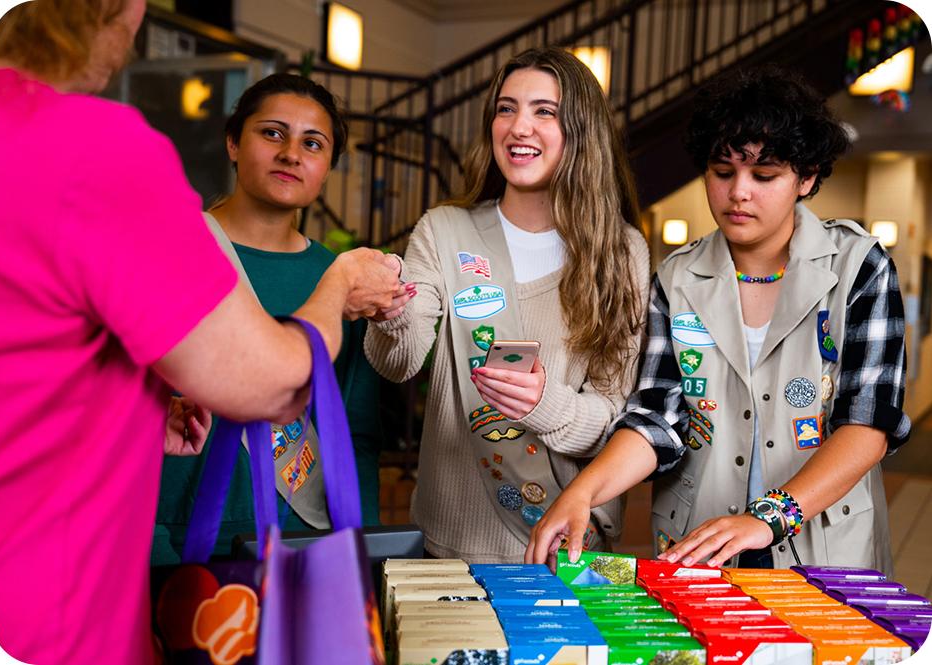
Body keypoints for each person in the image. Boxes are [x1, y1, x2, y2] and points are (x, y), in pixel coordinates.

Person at [0, 2, 402, 664]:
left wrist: (130, 416)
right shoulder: (97, 149)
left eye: (314, 142)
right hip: (53, 615)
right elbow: (272, 382)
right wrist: (342, 283)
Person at [527, 65, 910, 573]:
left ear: (807, 178)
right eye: (722, 172)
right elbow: (657, 418)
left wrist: (767, 518)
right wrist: (583, 492)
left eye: (765, 175)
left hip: (824, 548)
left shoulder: (859, 266)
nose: (738, 193)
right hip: (698, 544)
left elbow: (869, 423)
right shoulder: (677, 277)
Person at [365, 47, 650, 563]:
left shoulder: (620, 251)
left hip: (566, 547)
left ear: (581, 131)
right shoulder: (445, 229)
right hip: (451, 546)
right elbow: (397, 362)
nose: (520, 127)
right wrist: (392, 311)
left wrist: (543, 403)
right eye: (506, 108)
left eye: (545, 111)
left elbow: (615, 418)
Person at [152, 74, 397, 564]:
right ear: (233, 143)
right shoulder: (172, 251)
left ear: (327, 168)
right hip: (180, 538)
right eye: (271, 133)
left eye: (312, 143)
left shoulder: (340, 279)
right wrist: (151, 541)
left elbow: (356, 431)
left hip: (304, 541)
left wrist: (361, 553)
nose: (291, 154)